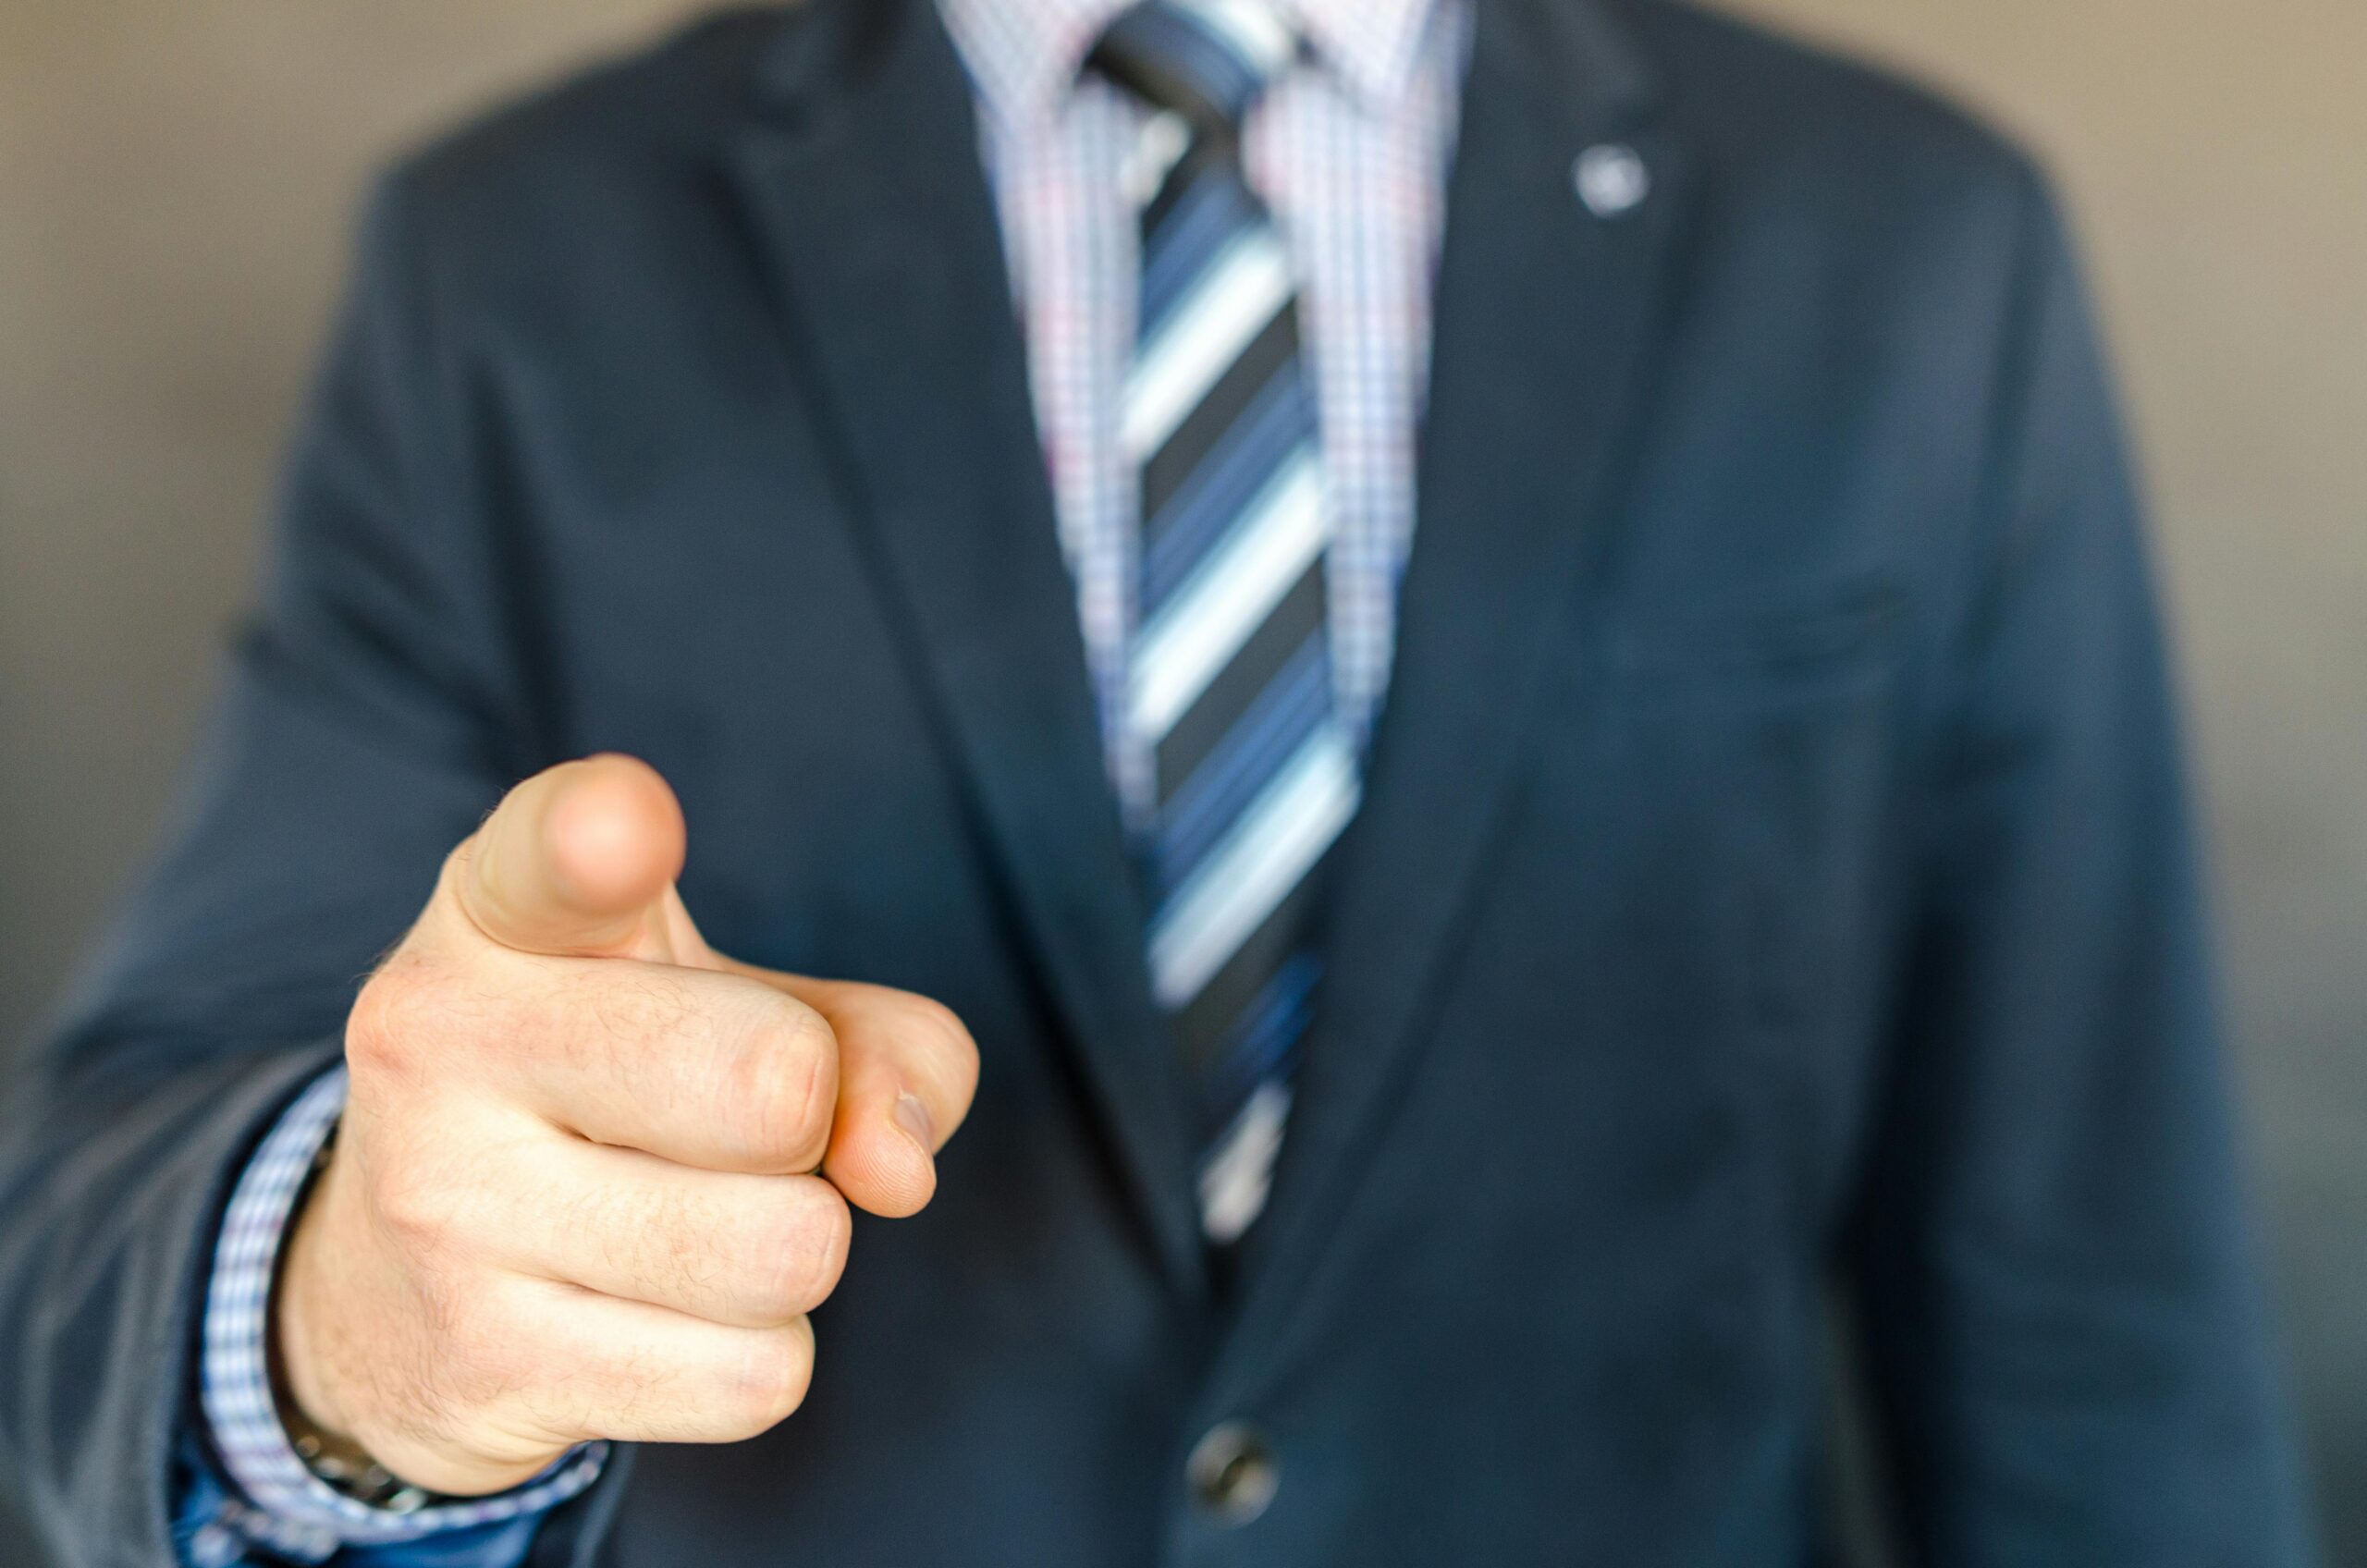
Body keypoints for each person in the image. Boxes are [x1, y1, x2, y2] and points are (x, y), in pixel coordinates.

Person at [0, 0, 2315, 1562]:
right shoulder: (510, 262)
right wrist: (358, 1316)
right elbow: (117, 1199)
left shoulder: (1907, 250)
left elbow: (2090, 1320)